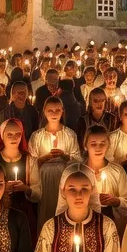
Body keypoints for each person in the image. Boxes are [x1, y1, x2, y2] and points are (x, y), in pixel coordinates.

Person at [28, 96, 81, 226]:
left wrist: (65, 156)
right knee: (47, 212)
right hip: (44, 179)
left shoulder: (70, 134)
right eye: (50, 110)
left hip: (64, 177)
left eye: (57, 110)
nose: (54, 113)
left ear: (62, 111)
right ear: (44, 112)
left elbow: (78, 160)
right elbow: (31, 162)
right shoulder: (37, 136)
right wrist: (43, 158)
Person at [0, 117, 42, 236]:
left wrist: (25, 188)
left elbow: (38, 194)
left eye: (18, 134)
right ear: (2, 136)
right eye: (9, 135)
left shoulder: (30, 161)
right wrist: (3, 188)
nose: (14, 138)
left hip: (23, 213)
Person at [80, 124, 127, 229]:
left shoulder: (117, 171)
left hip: (111, 225)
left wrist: (115, 201)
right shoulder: (78, 172)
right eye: (93, 144)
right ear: (85, 146)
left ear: (108, 145)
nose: (98, 148)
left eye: (102, 144)